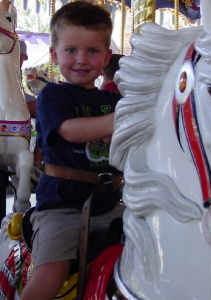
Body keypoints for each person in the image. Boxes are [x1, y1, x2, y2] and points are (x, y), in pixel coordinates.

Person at [20, 2, 124, 299]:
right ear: (54, 55)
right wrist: (121, 119)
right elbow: (70, 131)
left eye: (92, 51)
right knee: (50, 273)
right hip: (62, 208)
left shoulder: (114, 100)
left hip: (113, 205)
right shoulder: (53, 95)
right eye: (71, 50)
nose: (81, 59)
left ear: (106, 57)